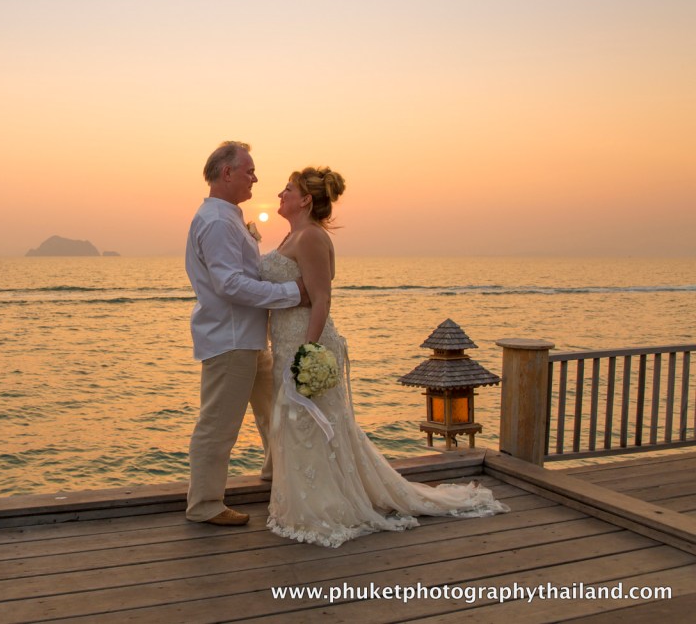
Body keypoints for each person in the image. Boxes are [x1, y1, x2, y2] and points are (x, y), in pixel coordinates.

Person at [260, 166, 509, 547]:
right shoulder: (292, 234)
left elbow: (322, 297)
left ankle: (325, 506)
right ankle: (309, 498)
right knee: (299, 425)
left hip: (303, 345)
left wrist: (308, 351)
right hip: (286, 343)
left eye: (288, 189)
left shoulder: (310, 236)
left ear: (306, 199)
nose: (280, 194)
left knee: (310, 423)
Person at [184, 141, 308, 526]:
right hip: (231, 339)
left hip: (251, 340)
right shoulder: (219, 222)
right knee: (219, 425)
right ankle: (204, 505)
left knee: (275, 411)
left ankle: (275, 476)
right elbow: (230, 285)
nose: (255, 176)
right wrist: (292, 293)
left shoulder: (229, 218)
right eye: (249, 170)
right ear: (227, 173)